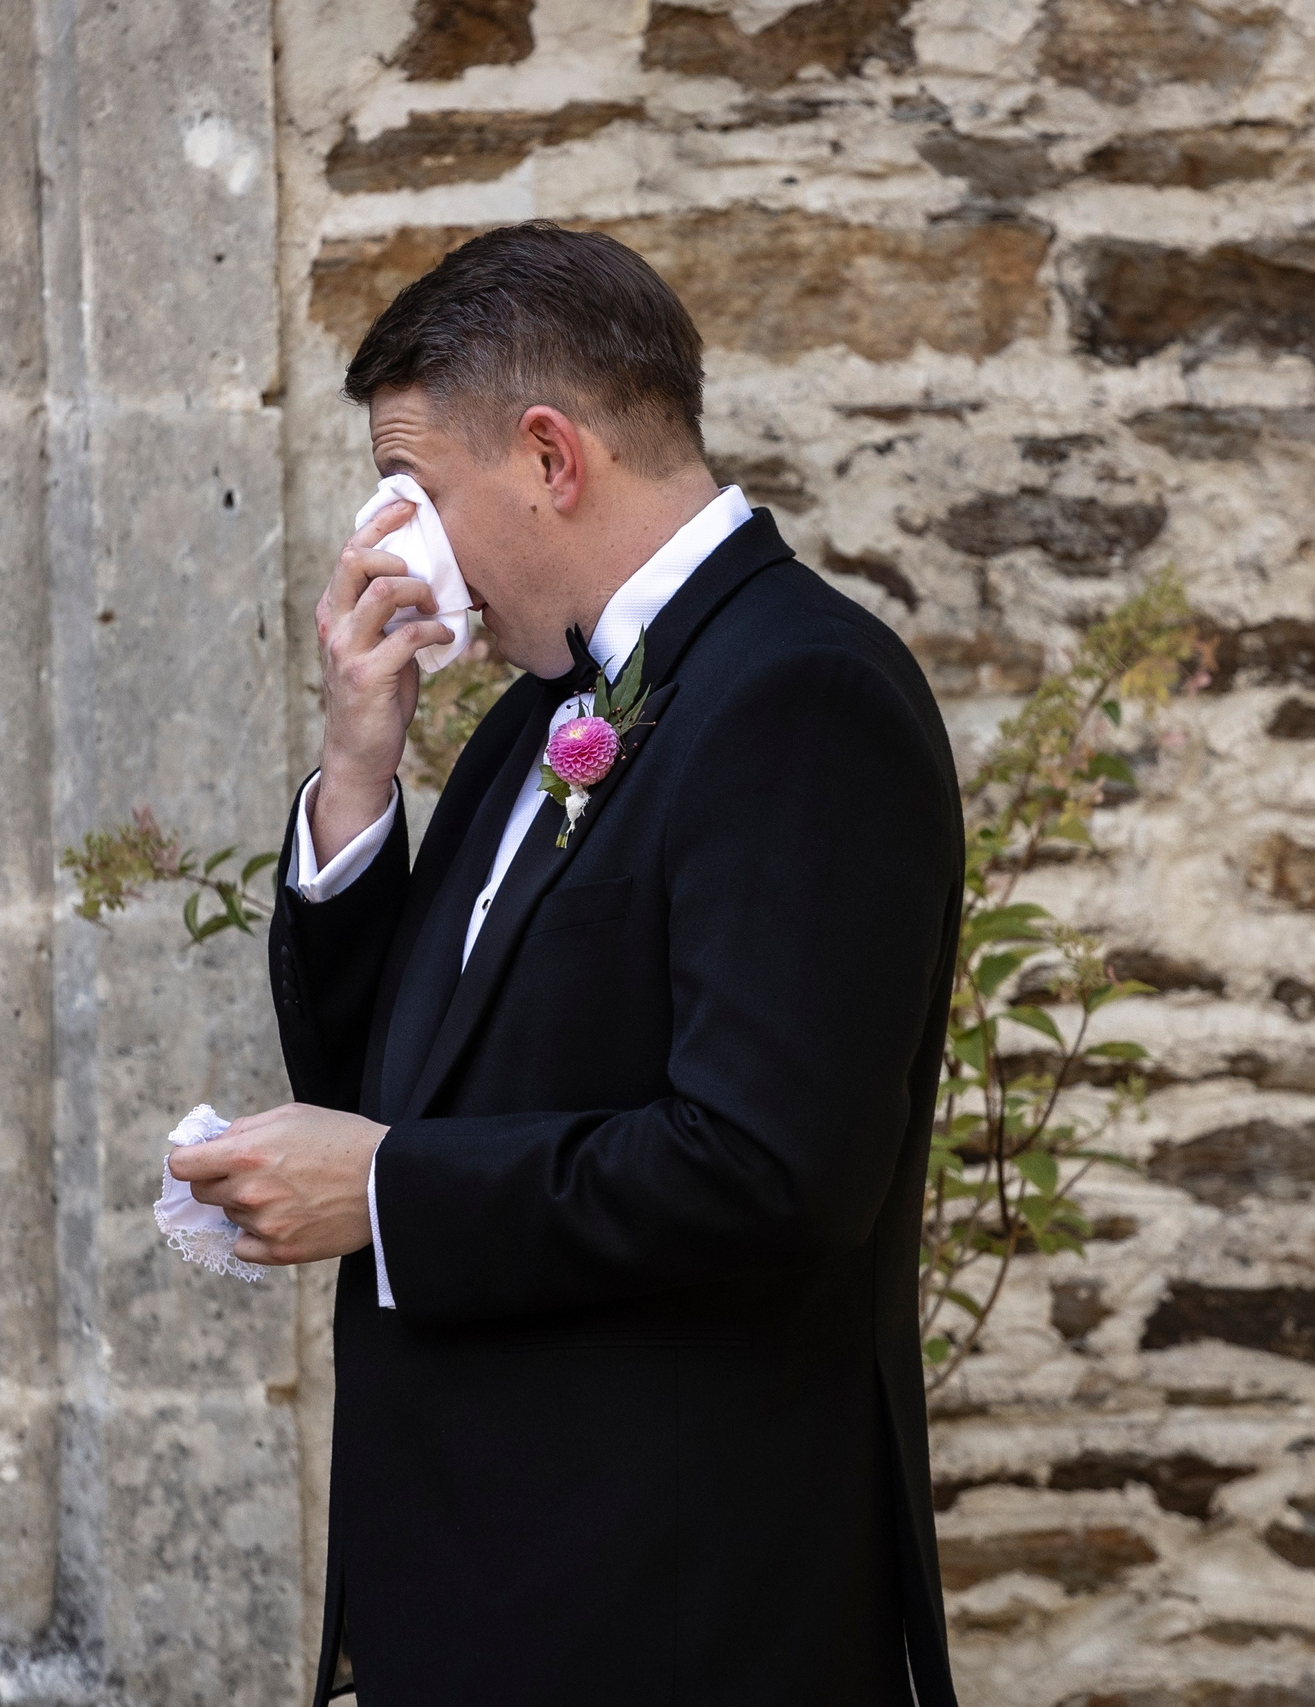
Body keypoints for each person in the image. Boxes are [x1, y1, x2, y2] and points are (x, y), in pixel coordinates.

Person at [169, 224, 964, 1704]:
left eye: (412, 488)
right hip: (485, 1606)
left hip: (672, 1618)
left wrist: (389, 1190)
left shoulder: (803, 696)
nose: (387, 539)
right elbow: (381, 1087)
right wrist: (359, 764)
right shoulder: (543, 714)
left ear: (550, 457)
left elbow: (768, 1171)